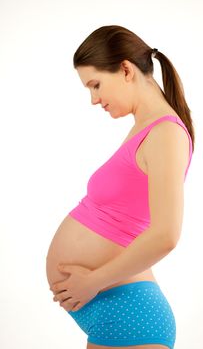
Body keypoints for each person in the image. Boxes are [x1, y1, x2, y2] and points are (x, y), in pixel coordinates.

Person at [50, 25, 195, 349]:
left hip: (133, 317)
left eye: (96, 85)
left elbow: (166, 235)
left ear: (126, 69)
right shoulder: (144, 130)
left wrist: (92, 281)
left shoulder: (165, 134)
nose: (93, 99)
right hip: (119, 316)